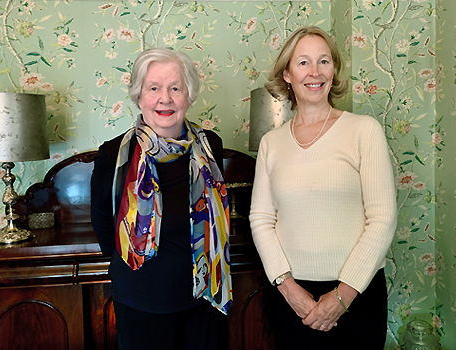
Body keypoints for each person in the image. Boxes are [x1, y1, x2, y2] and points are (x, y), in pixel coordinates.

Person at [249, 26, 397, 349]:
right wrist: (288, 289)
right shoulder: (271, 144)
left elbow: (383, 218)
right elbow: (260, 220)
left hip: (358, 296)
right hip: (293, 301)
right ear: (287, 74)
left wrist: (341, 297)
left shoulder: (364, 131)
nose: (315, 72)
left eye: (324, 61)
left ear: (333, 70)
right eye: (303, 63)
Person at [91, 48, 231, 350]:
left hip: (203, 298)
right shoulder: (113, 154)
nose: (164, 98)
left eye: (175, 88)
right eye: (153, 88)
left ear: (189, 96)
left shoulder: (210, 147)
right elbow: (103, 221)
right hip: (140, 301)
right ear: (139, 96)